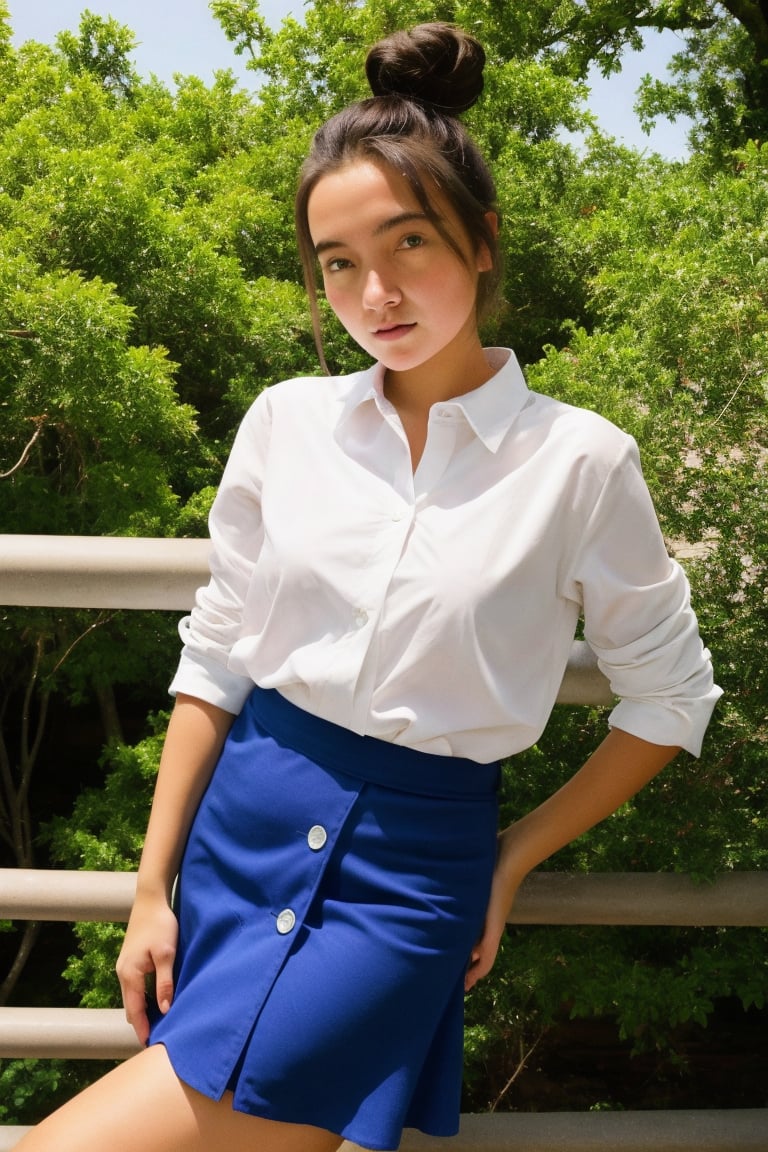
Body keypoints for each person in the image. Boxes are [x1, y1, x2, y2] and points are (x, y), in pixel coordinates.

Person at [17, 22, 721, 1152]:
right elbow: (219, 657)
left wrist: (510, 857)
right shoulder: (287, 422)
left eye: (409, 245)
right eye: (338, 262)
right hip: (236, 839)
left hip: (406, 878)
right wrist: (151, 890)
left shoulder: (582, 463)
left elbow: (672, 697)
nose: (375, 292)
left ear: (483, 242)